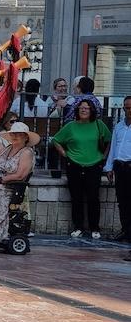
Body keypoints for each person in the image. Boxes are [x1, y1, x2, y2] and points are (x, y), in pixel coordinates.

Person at [53, 98, 111, 239]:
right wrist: (65, 154)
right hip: (74, 165)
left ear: (92, 110)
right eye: (81, 108)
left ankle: (94, 228)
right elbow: (56, 140)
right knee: (76, 198)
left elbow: (109, 141)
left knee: (93, 198)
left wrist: (104, 157)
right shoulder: (70, 126)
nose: (84, 110)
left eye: (87, 108)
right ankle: (78, 227)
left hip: (94, 165)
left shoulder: (99, 124)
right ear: (77, 110)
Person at [104, 96, 131, 242]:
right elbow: (114, 147)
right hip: (120, 167)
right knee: (122, 201)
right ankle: (125, 230)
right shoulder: (119, 126)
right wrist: (109, 167)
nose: (129, 110)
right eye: (127, 107)